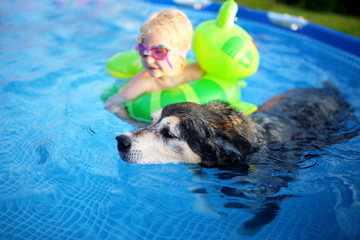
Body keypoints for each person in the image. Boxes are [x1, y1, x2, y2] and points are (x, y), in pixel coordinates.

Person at [105, 9, 203, 124]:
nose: (149, 59)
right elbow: (112, 104)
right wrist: (134, 123)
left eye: (159, 52)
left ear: (182, 53)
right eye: (143, 50)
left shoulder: (196, 72)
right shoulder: (144, 81)